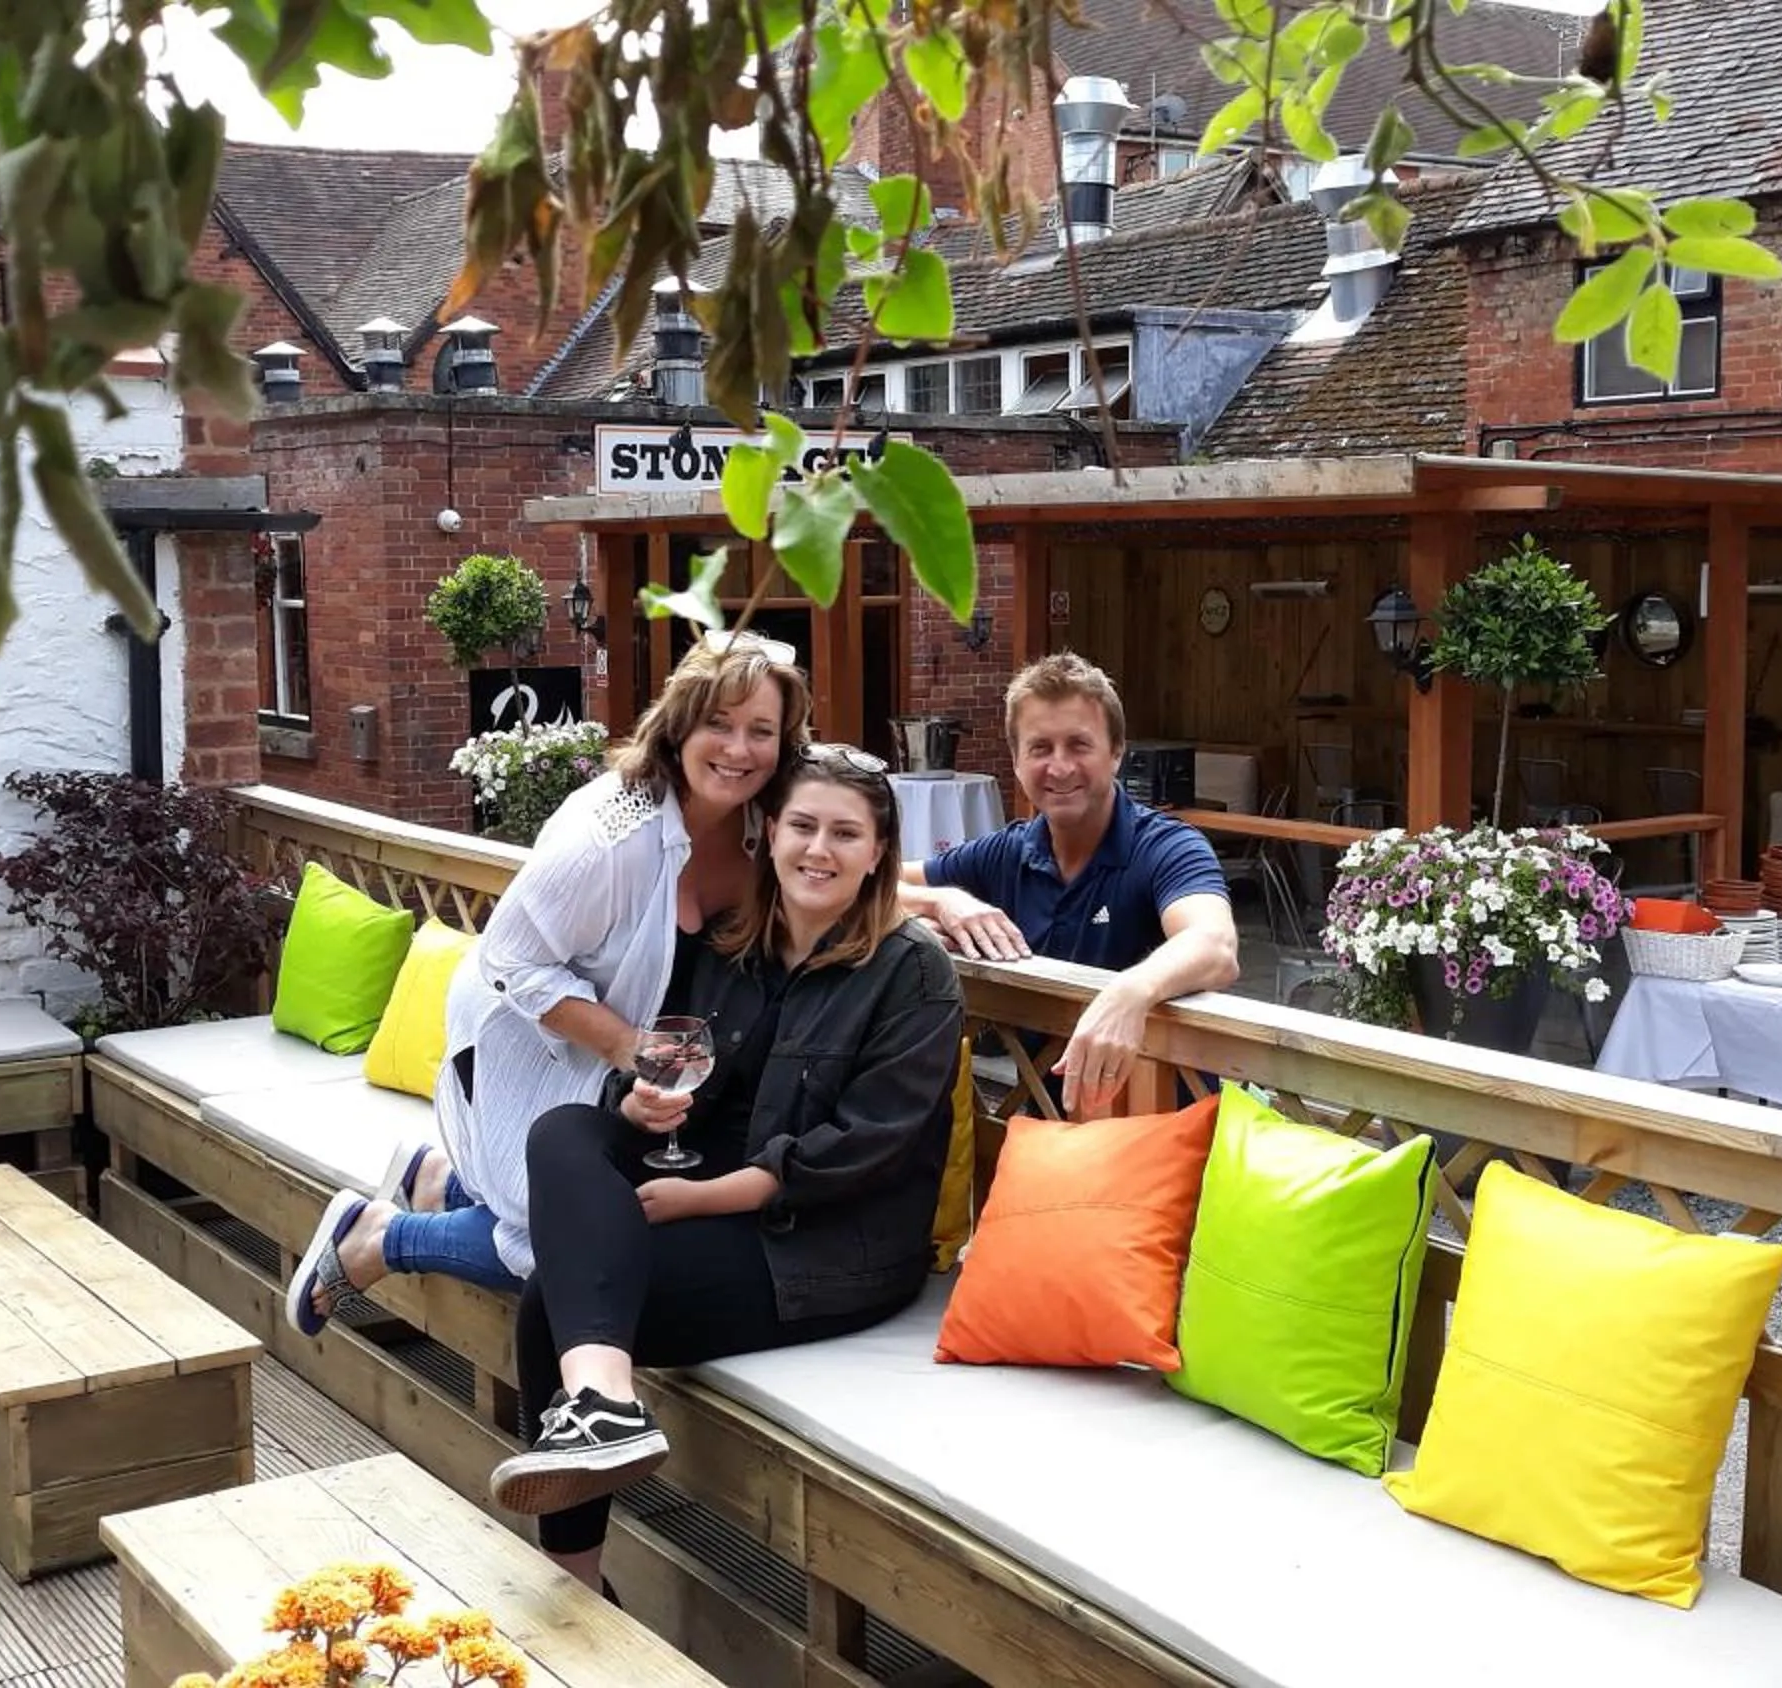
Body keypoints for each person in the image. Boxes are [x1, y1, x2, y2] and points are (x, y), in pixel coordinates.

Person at [486, 746, 964, 1591]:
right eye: (804, 826)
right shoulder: (735, 941)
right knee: (566, 1129)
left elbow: (867, 1146)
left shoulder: (911, 970)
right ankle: (602, 1405)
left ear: (879, 851)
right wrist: (642, 1109)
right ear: (771, 832)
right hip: (717, 1189)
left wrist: (709, 1197)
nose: (820, 850)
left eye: (845, 834)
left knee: (546, 1307)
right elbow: (687, 1079)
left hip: (828, 1244)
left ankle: (574, 1573)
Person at [287, 635, 813, 1331]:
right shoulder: (611, 831)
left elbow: (837, 865)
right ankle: (379, 1237)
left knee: (590, 1214)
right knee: (567, 1245)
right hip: (522, 1035)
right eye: (718, 722)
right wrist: (630, 1047)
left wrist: (939, 899)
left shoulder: (760, 822)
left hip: (613, 1057)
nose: (738, 749)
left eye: (761, 731)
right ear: (680, 722)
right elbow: (511, 960)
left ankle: (443, 1181)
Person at [901, 653, 1240, 1117]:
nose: (1060, 768)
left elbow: (1215, 945)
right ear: (1016, 761)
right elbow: (869, 882)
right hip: (1048, 1136)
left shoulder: (1165, 846)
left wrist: (1130, 992)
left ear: (1117, 753)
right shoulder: (1008, 852)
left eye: (1079, 745)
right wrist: (938, 899)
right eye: (1040, 748)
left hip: (1163, 1139)